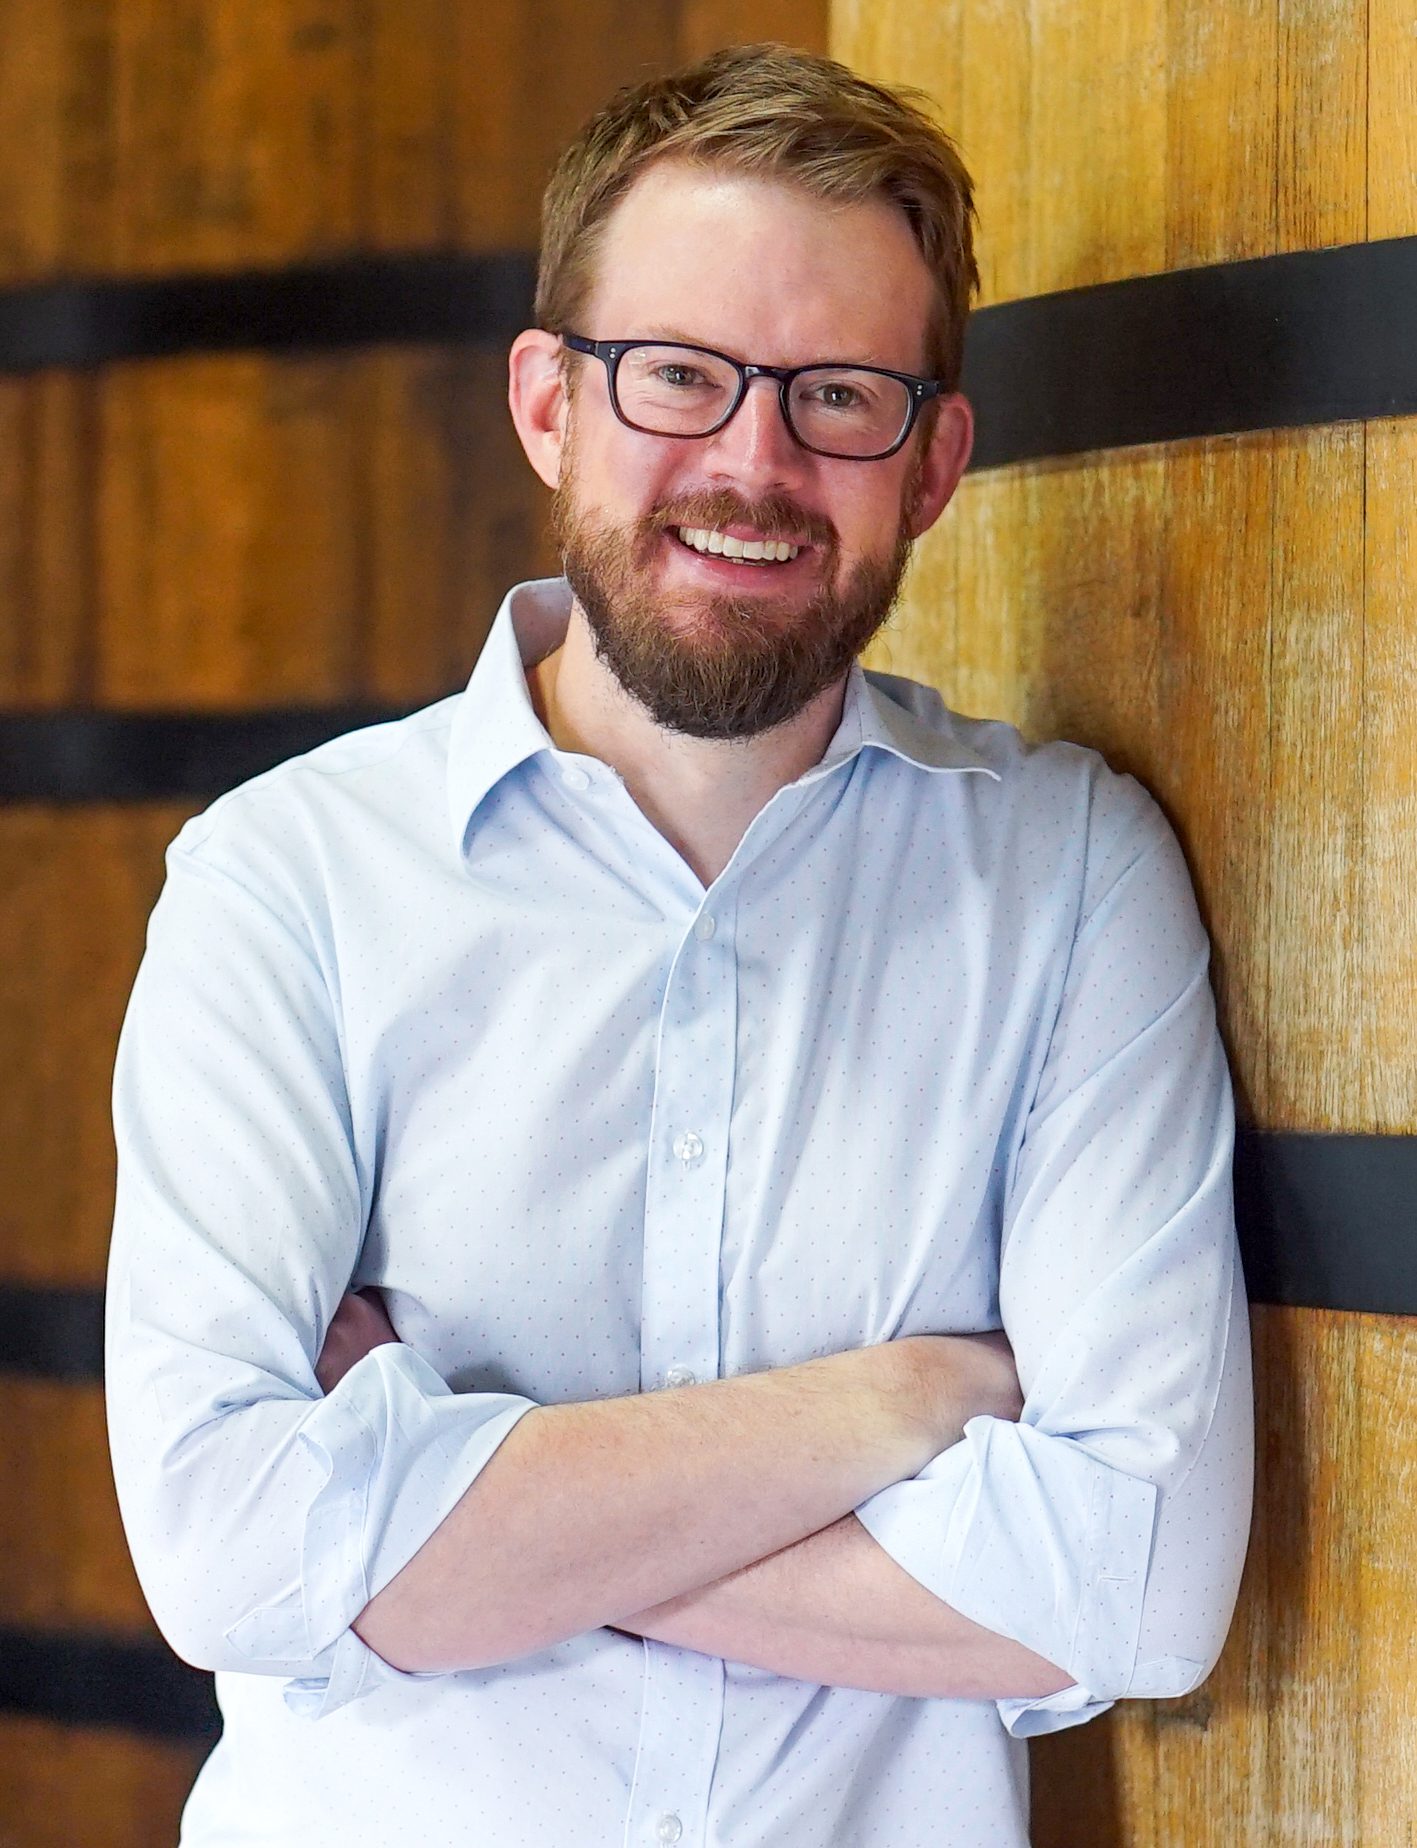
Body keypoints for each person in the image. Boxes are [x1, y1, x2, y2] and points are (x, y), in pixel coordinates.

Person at [105, 42, 1253, 1848]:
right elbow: (230, 1551)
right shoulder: (284, 884)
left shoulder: (1066, 878)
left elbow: (1137, 1587)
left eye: (838, 398)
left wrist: (446, 1530)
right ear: (548, 405)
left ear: (935, 462)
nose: (751, 462)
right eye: (678, 378)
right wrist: (905, 1401)